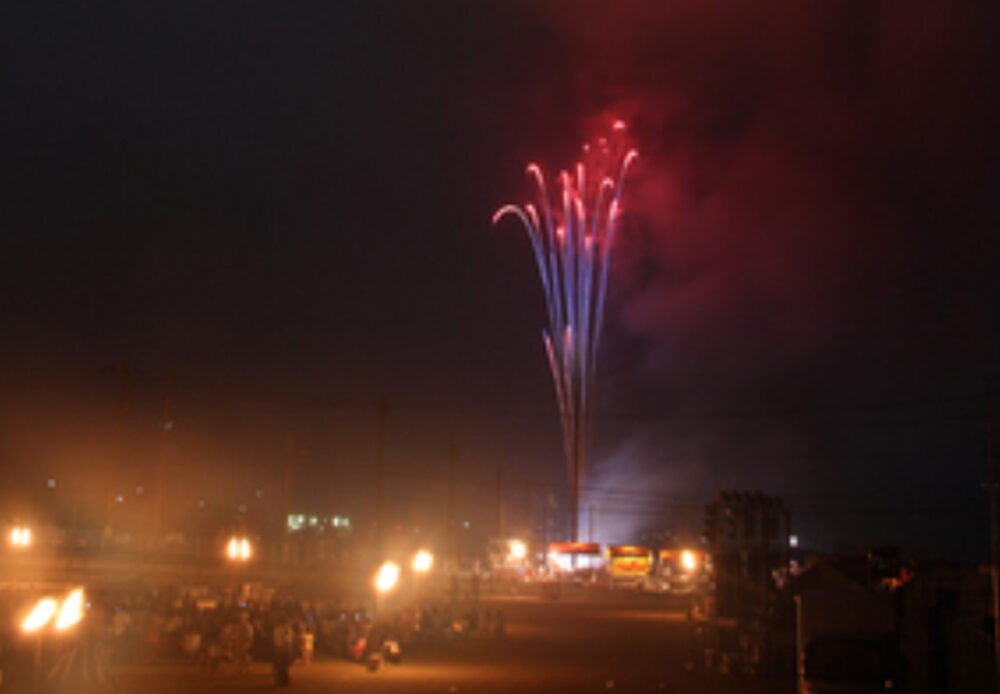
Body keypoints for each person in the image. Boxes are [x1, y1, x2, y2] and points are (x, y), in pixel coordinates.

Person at [272, 618, 294, 686]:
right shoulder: (286, 628)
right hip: (283, 648)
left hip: (281, 648)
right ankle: (283, 681)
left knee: (282, 666)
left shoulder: (279, 629)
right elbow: (287, 639)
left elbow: (276, 638)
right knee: (283, 666)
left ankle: (283, 681)